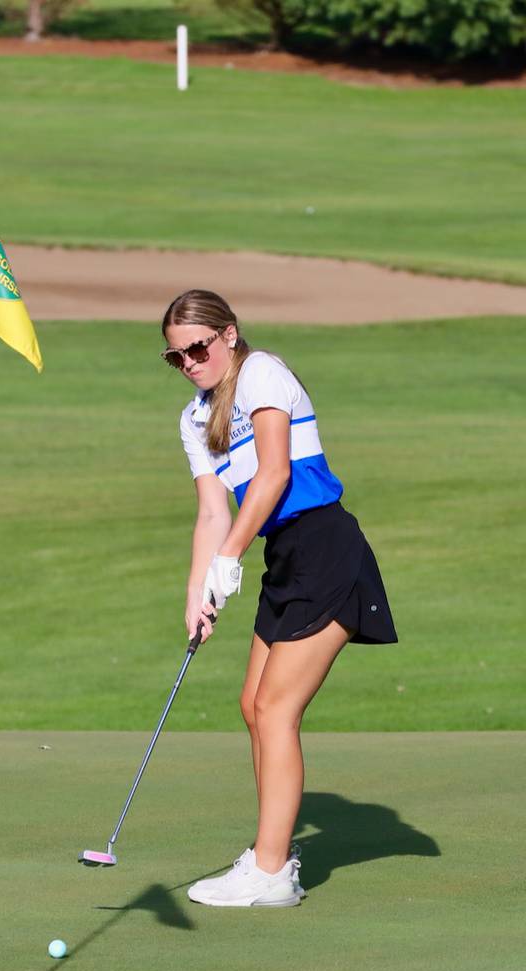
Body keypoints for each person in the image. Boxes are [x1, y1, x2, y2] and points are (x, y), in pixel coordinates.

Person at [163, 290, 397, 908]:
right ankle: (273, 857)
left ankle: (269, 872)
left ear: (228, 336)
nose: (190, 362)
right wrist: (197, 593)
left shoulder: (263, 371)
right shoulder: (193, 419)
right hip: (285, 560)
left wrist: (229, 557)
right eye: (176, 356)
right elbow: (213, 510)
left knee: (275, 711)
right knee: (252, 705)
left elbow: (274, 474)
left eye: (198, 347)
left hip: (326, 548)